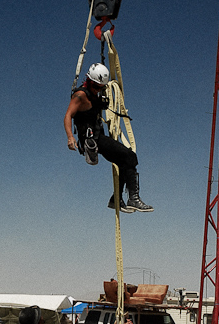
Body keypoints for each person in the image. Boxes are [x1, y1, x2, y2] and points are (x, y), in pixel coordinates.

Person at [64, 62, 153, 213]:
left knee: (123, 162)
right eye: (97, 87)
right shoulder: (80, 95)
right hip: (92, 139)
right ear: (90, 82)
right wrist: (70, 137)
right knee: (130, 157)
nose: (99, 90)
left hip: (99, 135)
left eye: (102, 88)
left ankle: (115, 200)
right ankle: (133, 199)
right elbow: (68, 115)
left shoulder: (94, 93)